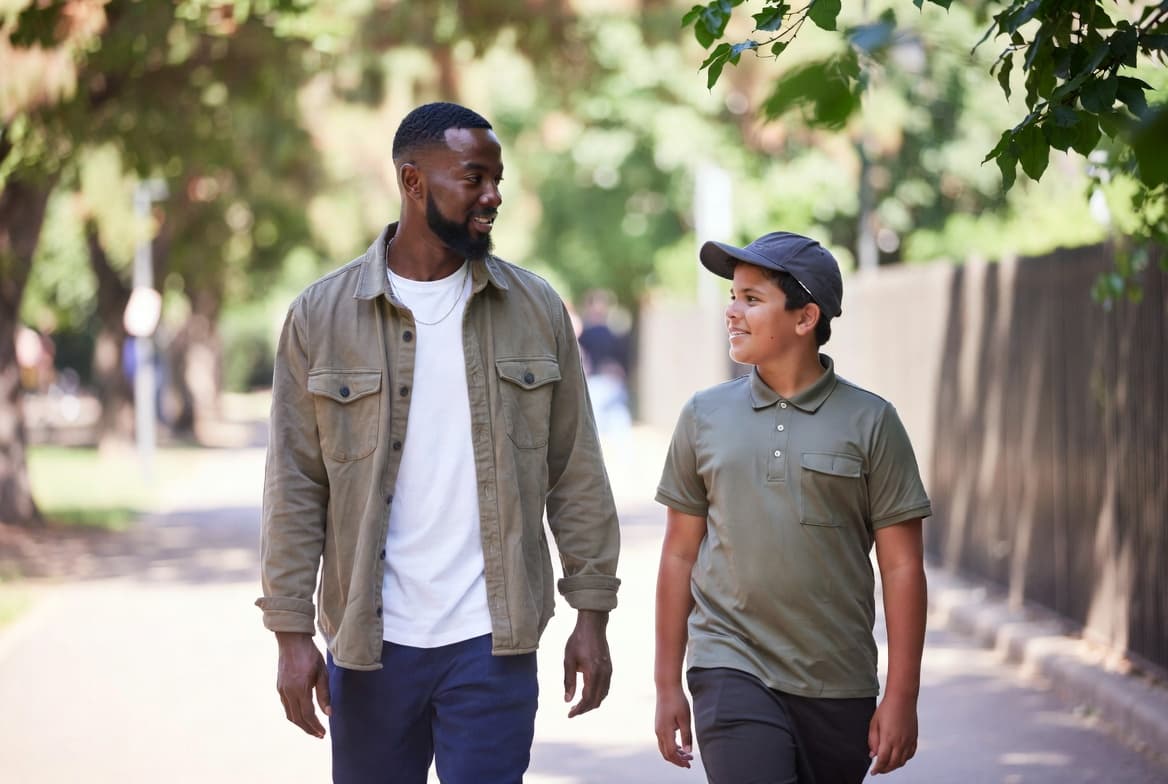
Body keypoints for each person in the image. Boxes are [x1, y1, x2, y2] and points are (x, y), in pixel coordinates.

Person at [257, 102, 621, 784]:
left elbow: (575, 471)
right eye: (475, 178)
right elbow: (295, 484)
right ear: (414, 182)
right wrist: (291, 632)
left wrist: (592, 614)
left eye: (498, 179)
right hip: (371, 645)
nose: (494, 196)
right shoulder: (322, 316)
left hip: (493, 644)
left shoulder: (535, 309)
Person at [653, 232, 931, 783]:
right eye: (734, 296)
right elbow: (680, 555)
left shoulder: (872, 421)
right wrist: (667, 686)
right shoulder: (704, 416)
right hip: (730, 664)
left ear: (806, 318)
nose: (731, 311)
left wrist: (902, 697)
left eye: (752, 299)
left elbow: (902, 567)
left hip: (839, 683)